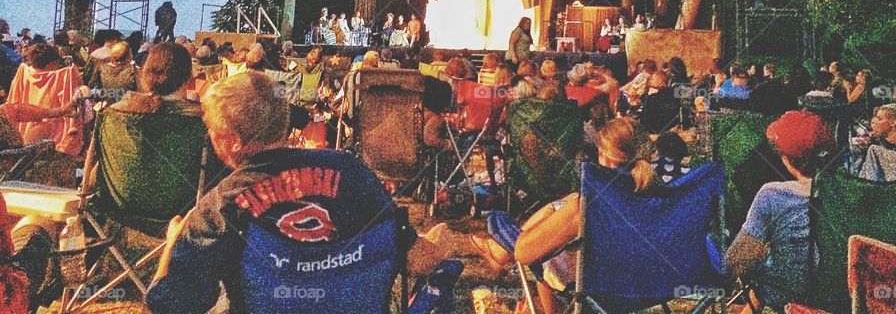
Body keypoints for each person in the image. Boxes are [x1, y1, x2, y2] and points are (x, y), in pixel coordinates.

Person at [146, 72, 452, 314]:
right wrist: (439, 243)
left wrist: (174, 241)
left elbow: (172, 303)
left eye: (211, 132)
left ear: (231, 141)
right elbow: (418, 262)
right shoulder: (353, 173)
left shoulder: (221, 206)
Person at [469, 117, 658, 314]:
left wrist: (553, 211)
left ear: (606, 157)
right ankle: (502, 251)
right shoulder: (663, 199)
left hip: (596, 285)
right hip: (647, 288)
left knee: (545, 256)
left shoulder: (587, 205)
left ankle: (501, 249)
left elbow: (524, 254)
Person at [725, 110, 835, 310]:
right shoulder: (847, 192)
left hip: (787, 296)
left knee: (759, 277)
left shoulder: (773, 195)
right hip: (837, 295)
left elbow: (735, 262)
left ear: (786, 157)